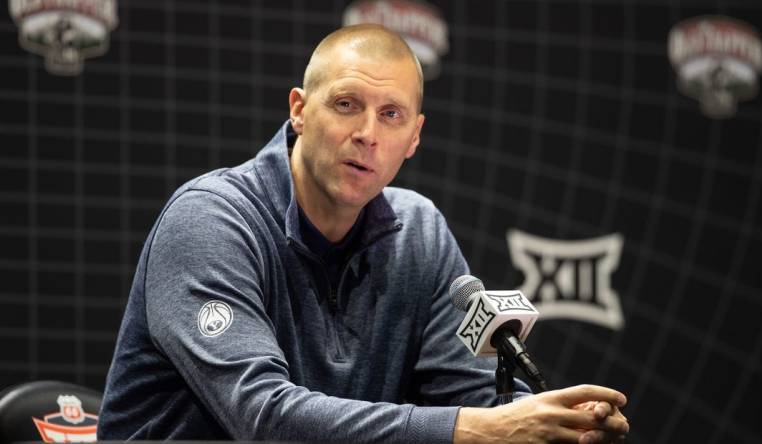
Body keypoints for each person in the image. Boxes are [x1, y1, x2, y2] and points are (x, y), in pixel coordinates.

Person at [98, 24, 629, 443]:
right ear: (300, 110)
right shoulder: (212, 220)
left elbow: (468, 399)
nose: (367, 135)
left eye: (391, 115)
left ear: (414, 137)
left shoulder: (419, 231)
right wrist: (478, 429)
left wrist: (550, 425)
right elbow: (262, 418)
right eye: (347, 104)